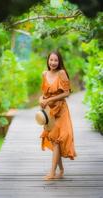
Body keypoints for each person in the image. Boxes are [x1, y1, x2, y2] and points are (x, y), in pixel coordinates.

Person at [39, 51, 77, 181]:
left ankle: (52, 173)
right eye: (51, 60)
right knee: (54, 140)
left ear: (59, 61)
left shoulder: (61, 73)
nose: (53, 63)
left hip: (61, 110)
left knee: (57, 140)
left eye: (55, 60)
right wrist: (42, 101)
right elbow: (44, 93)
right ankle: (60, 169)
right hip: (50, 111)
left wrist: (50, 100)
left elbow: (66, 93)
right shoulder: (44, 74)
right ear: (48, 60)